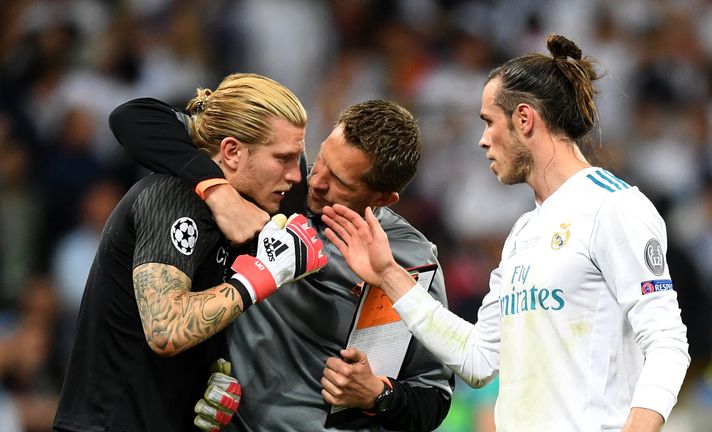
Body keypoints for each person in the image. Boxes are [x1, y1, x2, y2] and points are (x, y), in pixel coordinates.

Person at [321, 34, 691, 431]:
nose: (482, 140)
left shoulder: (614, 207)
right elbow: (480, 359)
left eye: (488, 122)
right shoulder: (524, 231)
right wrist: (389, 275)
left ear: (524, 119)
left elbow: (668, 343)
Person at [108, 98, 454, 431]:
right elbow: (133, 116)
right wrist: (219, 191)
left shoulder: (410, 260)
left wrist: (378, 395)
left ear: (383, 199)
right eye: (321, 161)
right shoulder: (275, 184)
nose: (315, 182)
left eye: (341, 182)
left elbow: (433, 397)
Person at [53, 73, 327, 432]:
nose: (296, 175)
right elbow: (167, 330)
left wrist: (213, 375)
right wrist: (263, 274)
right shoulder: (173, 195)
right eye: (284, 158)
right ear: (231, 152)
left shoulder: (248, 217)